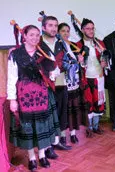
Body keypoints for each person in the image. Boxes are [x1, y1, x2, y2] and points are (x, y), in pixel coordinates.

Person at [7, 25, 58, 170]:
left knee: (42, 127)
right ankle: (32, 158)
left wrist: (52, 74)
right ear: (24, 36)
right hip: (25, 96)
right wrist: (12, 99)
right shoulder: (15, 54)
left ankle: (42, 155)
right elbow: (12, 78)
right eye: (31, 35)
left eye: (37, 35)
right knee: (28, 128)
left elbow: (55, 70)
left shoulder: (44, 52)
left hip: (42, 94)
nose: (35, 38)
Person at [39, 16, 72, 159]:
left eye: (55, 25)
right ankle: (48, 147)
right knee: (49, 117)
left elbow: (68, 60)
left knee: (61, 113)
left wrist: (67, 65)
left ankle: (57, 141)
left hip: (61, 82)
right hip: (46, 85)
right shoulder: (38, 44)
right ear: (43, 28)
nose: (53, 28)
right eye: (50, 25)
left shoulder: (61, 42)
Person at [76, 18, 106, 137]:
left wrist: (105, 63)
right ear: (82, 30)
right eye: (88, 28)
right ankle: (88, 128)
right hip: (86, 77)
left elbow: (105, 58)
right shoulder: (78, 45)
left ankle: (96, 126)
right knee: (88, 103)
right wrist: (81, 62)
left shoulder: (100, 43)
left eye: (92, 28)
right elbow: (76, 65)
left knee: (99, 101)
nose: (91, 31)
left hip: (98, 76)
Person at [58, 23, 88, 143]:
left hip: (75, 83)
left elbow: (81, 64)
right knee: (64, 110)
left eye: (67, 31)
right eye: (63, 31)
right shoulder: (58, 47)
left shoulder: (73, 45)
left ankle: (73, 133)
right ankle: (62, 135)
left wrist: (81, 60)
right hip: (63, 83)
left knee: (74, 109)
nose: (66, 33)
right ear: (58, 33)